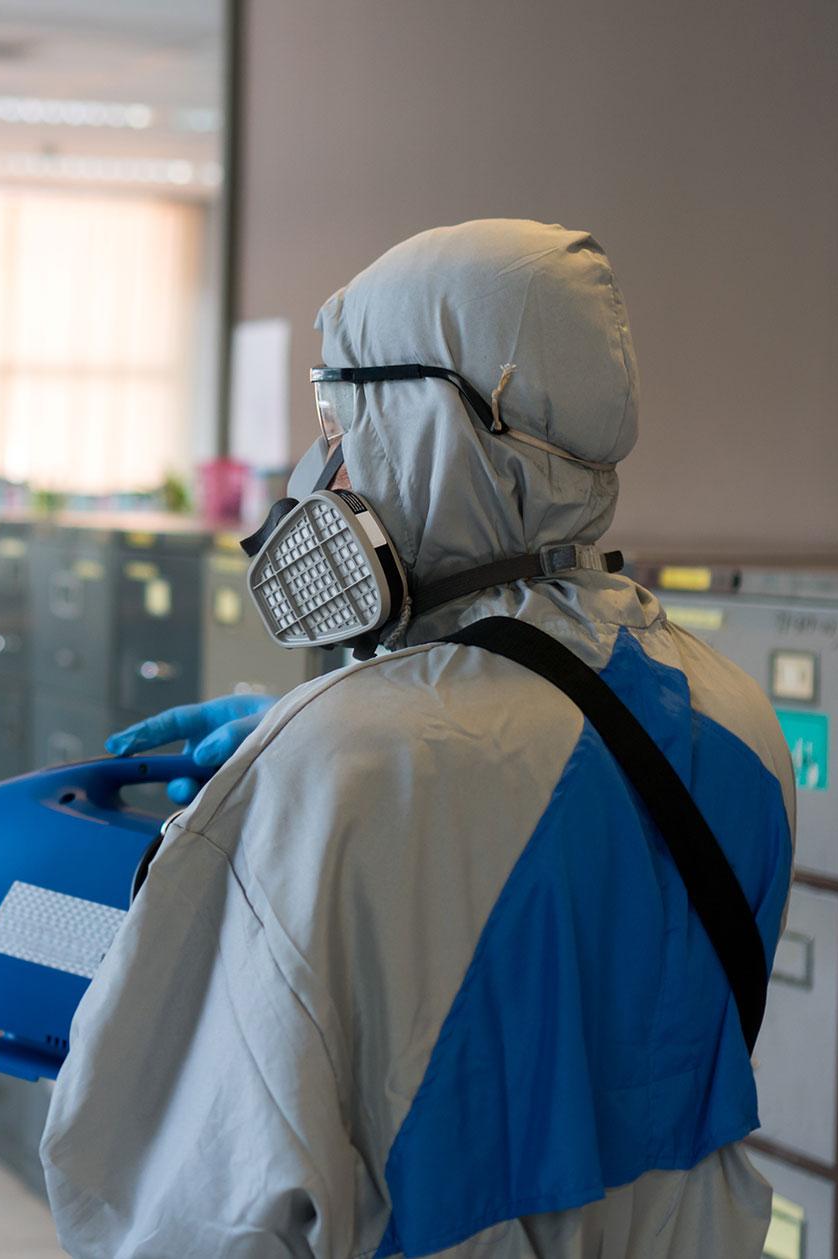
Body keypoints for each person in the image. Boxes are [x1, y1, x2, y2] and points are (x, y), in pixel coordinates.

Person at [39, 219, 795, 1258]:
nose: (328, 463)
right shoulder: (737, 716)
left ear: (431, 422)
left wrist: (297, 771)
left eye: (344, 413)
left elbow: (200, 1203)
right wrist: (327, 739)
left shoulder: (337, 768)